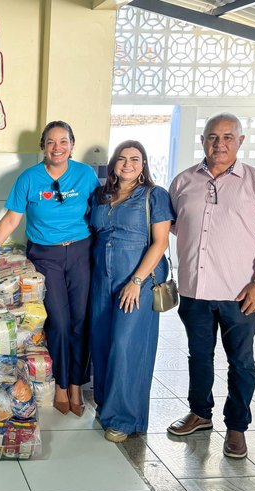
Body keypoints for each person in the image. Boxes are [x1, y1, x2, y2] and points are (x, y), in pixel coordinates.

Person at [167, 113, 255, 459]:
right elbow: (174, 227)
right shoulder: (184, 181)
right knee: (199, 356)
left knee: (241, 362)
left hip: (240, 292)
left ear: (240, 142)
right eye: (213, 137)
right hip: (195, 290)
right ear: (203, 141)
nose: (220, 144)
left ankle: (237, 427)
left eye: (228, 137)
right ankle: (200, 413)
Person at [0, 121, 99, 415]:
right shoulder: (29, 179)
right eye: (51, 142)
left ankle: (78, 384)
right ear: (43, 146)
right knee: (60, 323)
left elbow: (101, 212)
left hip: (80, 252)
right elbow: (11, 220)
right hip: (45, 256)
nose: (57, 148)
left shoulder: (86, 175)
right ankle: (62, 385)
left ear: (72, 144)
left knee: (81, 322)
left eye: (63, 141)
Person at [89, 141, 173, 442]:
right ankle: (106, 406)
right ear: (113, 164)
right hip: (101, 276)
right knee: (101, 343)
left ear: (144, 164)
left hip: (137, 277)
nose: (127, 164)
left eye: (135, 159)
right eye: (122, 159)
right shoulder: (101, 196)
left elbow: (160, 243)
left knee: (127, 346)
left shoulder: (154, 196)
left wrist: (136, 282)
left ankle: (125, 419)